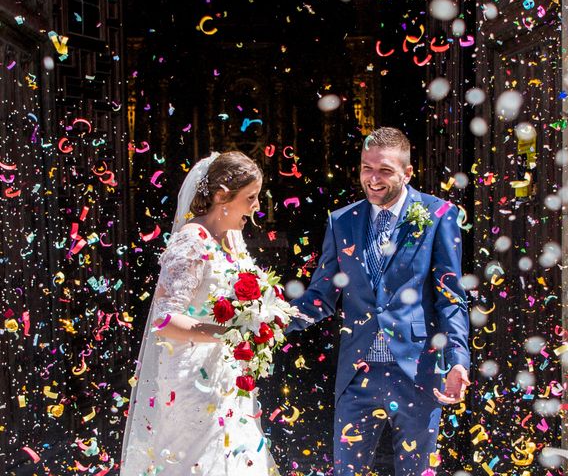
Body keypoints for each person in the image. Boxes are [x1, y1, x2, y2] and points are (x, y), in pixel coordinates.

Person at [288, 127, 471, 475]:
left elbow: (450, 297)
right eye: (366, 168)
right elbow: (322, 297)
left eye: (385, 170)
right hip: (358, 377)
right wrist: (273, 318)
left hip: (418, 372)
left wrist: (458, 360)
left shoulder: (437, 214)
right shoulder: (341, 221)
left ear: (407, 172)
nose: (373, 179)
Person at [121, 151, 280, 475]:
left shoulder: (233, 240)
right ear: (222, 196)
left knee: (239, 455)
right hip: (193, 377)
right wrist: (227, 333)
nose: (256, 207)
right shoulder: (191, 242)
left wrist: (261, 317)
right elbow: (164, 319)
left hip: (229, 373)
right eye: (250, 197)